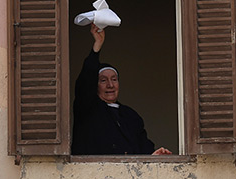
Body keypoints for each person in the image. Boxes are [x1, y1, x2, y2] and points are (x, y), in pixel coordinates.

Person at [71, 23, 172, 155]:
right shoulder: (87, 109)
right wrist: (97, 46)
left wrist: (155, 156)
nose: (110, 85)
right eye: (103, 80)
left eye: (114, 79)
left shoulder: (131, 116)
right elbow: (85, 84)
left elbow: (143, 149)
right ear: (94, 85)